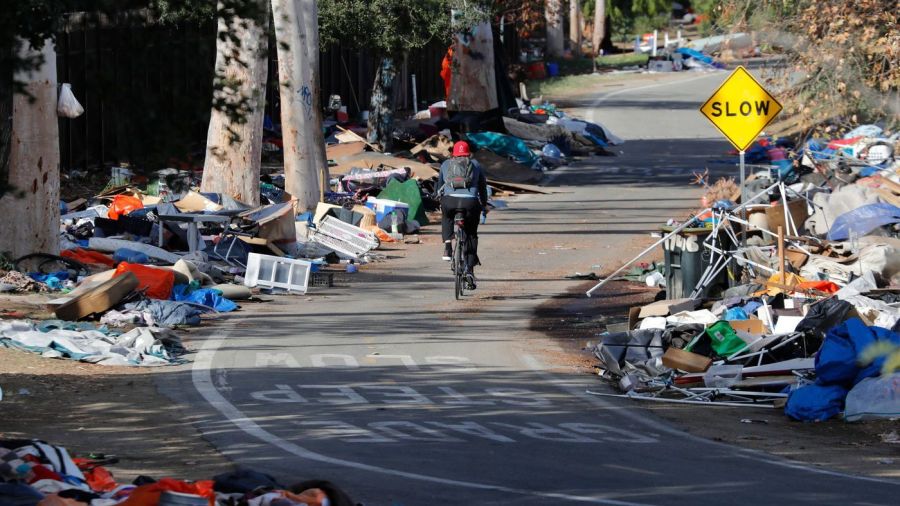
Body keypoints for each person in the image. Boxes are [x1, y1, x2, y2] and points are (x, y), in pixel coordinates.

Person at [437, 140, 488, 290]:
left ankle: (447, 247)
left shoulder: (446, 164)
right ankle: (470, 270)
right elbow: (482, 187)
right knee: (471, 234)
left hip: (449, 202)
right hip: (470, 204)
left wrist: (438, 197)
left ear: (453, 153)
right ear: (468, 153)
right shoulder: (476, 164)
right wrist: (483, 204)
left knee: (446, 217)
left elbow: (439, 185)